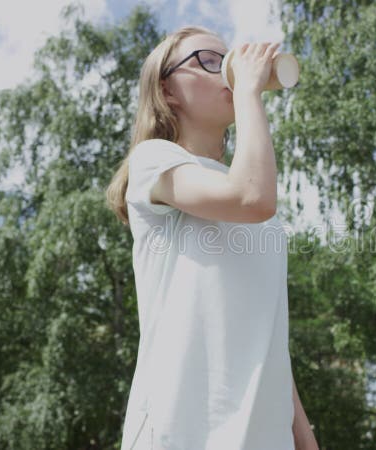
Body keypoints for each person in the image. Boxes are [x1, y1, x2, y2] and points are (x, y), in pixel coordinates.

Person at [105, 25, 319, 450]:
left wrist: (304, 438)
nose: (227, 71)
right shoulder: (155, 161)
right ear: (167, 90)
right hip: (183, 432)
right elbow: (252, 197)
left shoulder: (258, 209)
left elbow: (266, 331)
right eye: (208, 61)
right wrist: (248, 92)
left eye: (228, 60)